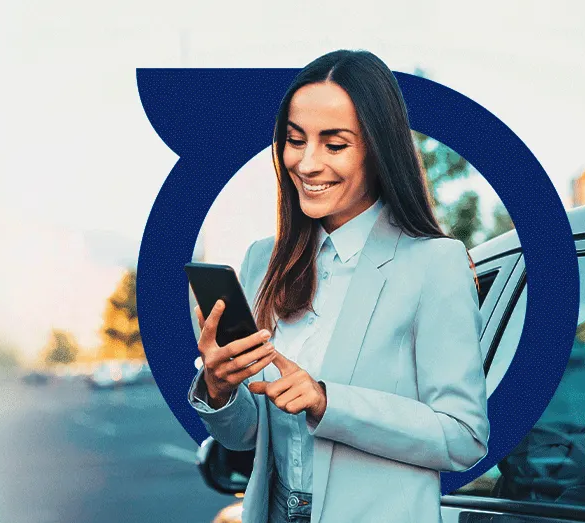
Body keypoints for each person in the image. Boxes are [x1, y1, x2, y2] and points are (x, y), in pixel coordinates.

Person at [187, 49, 489, 523]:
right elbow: (245, 437)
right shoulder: (262, 261)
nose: (307, 163)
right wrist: (220, 388)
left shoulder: (434, 264)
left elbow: (462, 437)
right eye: (295, 140)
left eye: (334, 144)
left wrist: (328, 401)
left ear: (378, 150)